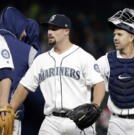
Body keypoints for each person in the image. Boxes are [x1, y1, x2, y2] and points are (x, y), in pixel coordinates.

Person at [10, 14, 105, 135]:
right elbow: (24, 87)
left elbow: (99, 83)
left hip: (79, 121)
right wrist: (9, 110)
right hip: (51, 121)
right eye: (49, 28)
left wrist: (95, 106)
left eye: (54, 29)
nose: (49, 32)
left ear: (66, 31)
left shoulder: (83, 57)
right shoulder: (41, 60)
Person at [0, 7, 40, 135]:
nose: (25, 34)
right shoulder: (29, 51)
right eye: (23, 28)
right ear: (16, 25)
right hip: (11, 115)